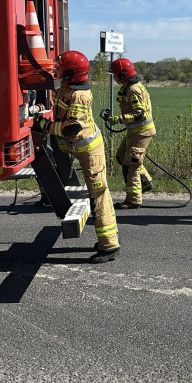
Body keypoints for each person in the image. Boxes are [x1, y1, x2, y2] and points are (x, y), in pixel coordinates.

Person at [34, 51, 120, 263]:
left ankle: (109, 246)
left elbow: (72, 128)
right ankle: (107, 241)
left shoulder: (79, 95)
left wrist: (44, 125)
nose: (58, 71)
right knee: (98, 194)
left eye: (61, 68)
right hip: (80, 149)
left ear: (71, 74)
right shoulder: (70, 87)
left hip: (89, 150)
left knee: (99, 194)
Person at [102, 58, 156, 210]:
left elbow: (140, 114)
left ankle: (133, 200)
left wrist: (119, 119)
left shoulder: (133, 89)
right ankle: (145, 182)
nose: (114, 77)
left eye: (116, 74)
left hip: (141, 132)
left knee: (131, 166)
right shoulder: (127, 87)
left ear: (123, 74)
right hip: (134, 132)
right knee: (121, 156)